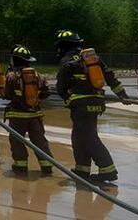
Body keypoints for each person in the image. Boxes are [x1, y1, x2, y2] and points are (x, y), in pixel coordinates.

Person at [55, 30, 129, 183]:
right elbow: (110, 77)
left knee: (88, 138)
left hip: (80, 106)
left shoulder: (67, 60)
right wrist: (122, 94)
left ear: (63, 46)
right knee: (79, 137)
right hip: (96, 103)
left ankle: (108, 170)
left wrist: (67, 99)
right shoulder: (93, 59)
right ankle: (82, 170)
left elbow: (61, 86)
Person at [3, 44, 53, 175]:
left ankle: (21, 165)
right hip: (35, 114)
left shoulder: (12, 76)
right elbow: (47, 93)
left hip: (17, 116)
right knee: (39, 140)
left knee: (16, 140)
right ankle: (47, 165)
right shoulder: (39, 76)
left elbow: (6, 95)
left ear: (15, 60)